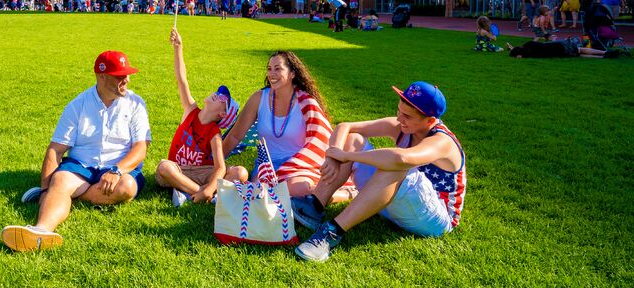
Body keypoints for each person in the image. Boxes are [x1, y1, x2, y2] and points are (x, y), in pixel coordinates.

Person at [296, 83, 465, 263]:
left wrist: (347, 156)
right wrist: (333, 154)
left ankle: (331, 233)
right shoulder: (403, 125)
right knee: (354, 138)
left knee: (396, 166)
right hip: (400, 203)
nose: (400, 118)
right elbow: (346, 126)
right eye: (399, 111)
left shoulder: (442, 141)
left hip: (434, 220)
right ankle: (314, 205)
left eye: (407, 116)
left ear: (430, 121)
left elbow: (401, 159)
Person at [3, 51, 151, 252]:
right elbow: (55, 150)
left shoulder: (136, 103)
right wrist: (47, 187)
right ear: (101, 76)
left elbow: (141, 148)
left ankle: (62, 196)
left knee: (126, 188)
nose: (127, 79)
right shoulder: (77, 105)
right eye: (120, 75)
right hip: (82, 165)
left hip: (121, 166)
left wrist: (116, 170)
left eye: (127, 74)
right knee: (61, 181)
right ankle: (40, 231)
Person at [221, 51, 348, 201]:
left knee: (300, 189)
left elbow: (322, 138)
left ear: (292, 73)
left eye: (278, 69)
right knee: (260, 193)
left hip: (298, 164)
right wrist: (215, 161)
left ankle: (346, 194)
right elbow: (235, 135)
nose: (272, 74)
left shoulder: (306, 102)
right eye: (269, 69)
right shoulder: (259, 98)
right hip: (266, 165)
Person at [157, 29, 242, 207]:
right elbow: (182, 80)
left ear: (222, 114)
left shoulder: (214, 133)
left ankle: (186, 191)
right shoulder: (190, 110)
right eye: (218, 93)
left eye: (222, 98)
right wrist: (178, 47)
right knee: (164, 168)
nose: (216, 94)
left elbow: (220, 168)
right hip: (178, 170)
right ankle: (199, 193)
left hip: (204, 172)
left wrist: (210, 185)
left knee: (240, 172)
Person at [506, 39, 607, 58]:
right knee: (579, 50)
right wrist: (511, 48)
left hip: (560, 51)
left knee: (579, 54)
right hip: (558, 45)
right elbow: (519, 50)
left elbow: (520, 53)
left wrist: (512, 49)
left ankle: (602, 56)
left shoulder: (531, 54)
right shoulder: (529, 44)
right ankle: (603, 52)